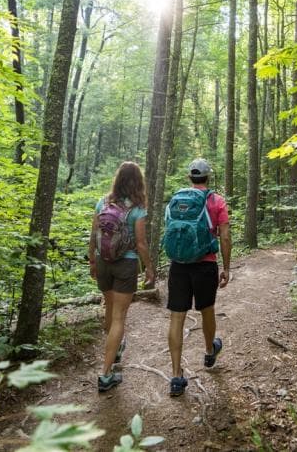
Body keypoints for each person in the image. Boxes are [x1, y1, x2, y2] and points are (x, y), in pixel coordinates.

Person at [165, 158, 232, 397]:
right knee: (207, 310)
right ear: (208, 177)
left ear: (189, 178)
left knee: (176, 318)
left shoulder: (176, 199)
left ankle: (175, 376)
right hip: (205, 264)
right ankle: (208, 351)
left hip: (178, 265)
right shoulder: (216, 200)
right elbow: (224, 236)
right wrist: (226, 267)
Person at [88, 161, 155, 392]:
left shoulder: (103, 202)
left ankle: (113, 349)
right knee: (119, 318)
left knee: (109, 308)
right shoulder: (137, 208)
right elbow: (141, 243)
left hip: (104, 262)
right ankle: (106, 374)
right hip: (125, 264)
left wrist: (93, 261)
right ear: (138, 182)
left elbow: (93, 234)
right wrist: (149, 268)